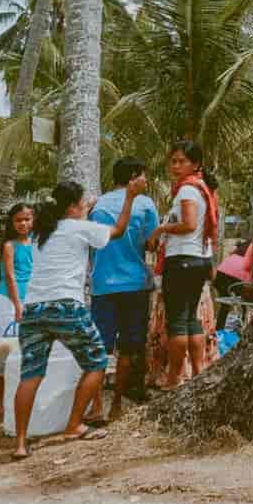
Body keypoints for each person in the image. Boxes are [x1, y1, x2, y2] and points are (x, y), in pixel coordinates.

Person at [12, 177, 145, 459]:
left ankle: (21, 443)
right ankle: (74, 424)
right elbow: (119, 230)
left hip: (33, 308)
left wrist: (84, 210)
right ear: (73, 207)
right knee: (96, 360)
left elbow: (70, 223)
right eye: (82, 202)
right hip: (66, 306)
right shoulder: (80, 228)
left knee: (30, 375)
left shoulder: (42, 231)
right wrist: (130, 196)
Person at [85, 158, 159, 422]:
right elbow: (151, 243)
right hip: (134, 284)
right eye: (143, 176)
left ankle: (95, 406)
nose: (146, 181)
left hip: (103, 284)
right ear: (134, 178)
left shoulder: (97, 205)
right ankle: (116, 404)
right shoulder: (145, 204)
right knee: (129, 347)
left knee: (98, 347)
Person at [148, 141, 219, 389]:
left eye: (181, 161)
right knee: (191, 319)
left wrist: (160, 229)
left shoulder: (187, 191)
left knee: (178, 320)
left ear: (195, 164)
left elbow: (188, 224)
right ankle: (198, 373)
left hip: (181, 260)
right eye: (173, 161)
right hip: (199, 259)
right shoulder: (203, 189)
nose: (176, 166)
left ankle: (174, 378)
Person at [0, 203, 35, 419]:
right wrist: (17, 305)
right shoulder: (9, 246)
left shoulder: (38, 244)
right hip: (9, 303)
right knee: (3, 351)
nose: (23, 224)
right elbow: (11, 276)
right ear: (12, 223)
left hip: (30, 301)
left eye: (27, 219)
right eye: (18, 220)